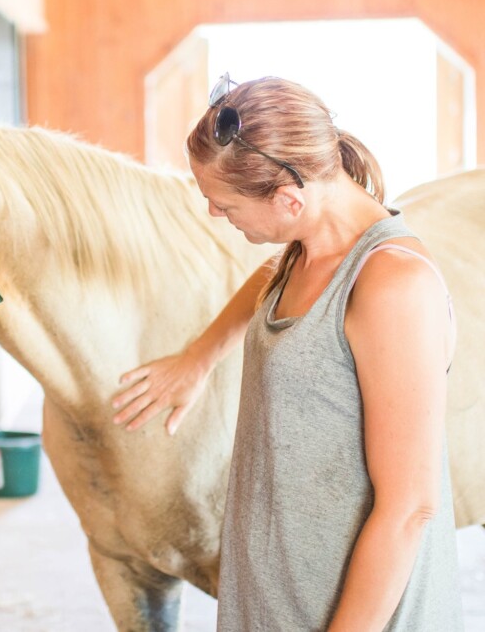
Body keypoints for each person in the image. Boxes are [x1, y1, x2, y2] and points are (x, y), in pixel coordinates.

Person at [112, 75, 462, 630]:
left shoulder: (394, 286)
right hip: (283, 586)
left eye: (222, 203)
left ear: (288, 200)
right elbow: (268, 279)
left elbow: (409, 509)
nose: (214, 213)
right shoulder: (306, 250)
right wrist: (199, 357)